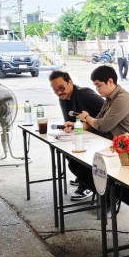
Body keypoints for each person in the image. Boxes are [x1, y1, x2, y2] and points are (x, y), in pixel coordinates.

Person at [74, 65, 129, 201]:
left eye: (99, 85)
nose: (97, 89)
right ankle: (107, 195)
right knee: (76, 163)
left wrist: (86, 117)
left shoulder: (122, 99)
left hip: (127, 149)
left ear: (110, 81)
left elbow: (103, 126)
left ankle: (110, 196)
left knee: (83, 168)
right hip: (111, 144)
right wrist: (78, 125)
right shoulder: (110, 98)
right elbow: (98, 121)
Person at [49, 70, 105, 200]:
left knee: (76, 164)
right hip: (82, 135)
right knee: (67, 152)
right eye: (55, 90)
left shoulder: (85, 94)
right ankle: (85, 180)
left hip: (100, 136)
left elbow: (107, 117)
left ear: (70, 82)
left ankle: (90, 185)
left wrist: (86, 124)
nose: (59, 93)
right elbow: (70, 121)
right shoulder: (63, 98)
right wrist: (69, 126)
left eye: (61, 88)